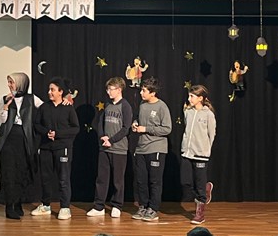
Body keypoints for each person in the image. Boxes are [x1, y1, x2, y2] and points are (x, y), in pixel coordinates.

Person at [32, 76, 80, 220]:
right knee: (45, 178)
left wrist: (58, 134)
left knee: (63, 179)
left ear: (60, 92)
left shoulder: (68, 108)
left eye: (52, 90)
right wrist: (46, 133)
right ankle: (45, 205)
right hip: (46, 148)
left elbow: (75, 128)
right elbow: (36, 124)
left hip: (63, 148)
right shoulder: (44, 107)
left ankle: (65, 207)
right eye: (49, 89)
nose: (49, 92)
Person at [0, 72, 42, 219]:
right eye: (8, 82)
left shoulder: (32, 98)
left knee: (22, 172)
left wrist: (65, 99)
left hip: (25, 139)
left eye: (12, 82)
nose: (9, 85)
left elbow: (46, 109)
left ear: (21, 83)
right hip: (9, 139)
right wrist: (6, 107)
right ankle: (9, 207)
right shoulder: (5, 98)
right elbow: (2, 120)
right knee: (9, 173)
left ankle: (18, 203)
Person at [87, 77, 132, 218]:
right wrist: (103, 138)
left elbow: (126, 128)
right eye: (107, 89)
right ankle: (99, 206)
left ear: (119, 90)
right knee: (102, 178)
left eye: (111, 89)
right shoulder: (107, 105)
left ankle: (117, 205)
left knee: (118, 180)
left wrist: (111, 140)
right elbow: (100, 123)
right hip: (104, 148)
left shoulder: (125, 106)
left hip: (118, 149)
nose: (108, 92)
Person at [131, 77, 172, 222]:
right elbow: (138, 118)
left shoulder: (162, 107)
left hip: (156, 148)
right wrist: (135, 124)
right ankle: (143, 206)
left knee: (154, 181)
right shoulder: (142, 104)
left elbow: (167, 128)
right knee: (141, 180)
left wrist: (146, 129)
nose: (141, 93)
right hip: (141, 148)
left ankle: (153, 209)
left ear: (153, 93)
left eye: (144, 90)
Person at [181, 85, 216, 224]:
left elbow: (211, 134)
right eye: (189, 96)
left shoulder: (208, 114)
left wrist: (205, 149)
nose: (189, 98)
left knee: (199, 183)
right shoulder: (188, 112)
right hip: (187, 152)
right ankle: (205, 191)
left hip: (201, 154)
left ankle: (200, 213)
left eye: (192, 96)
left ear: (200, 98)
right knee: (186, 181)